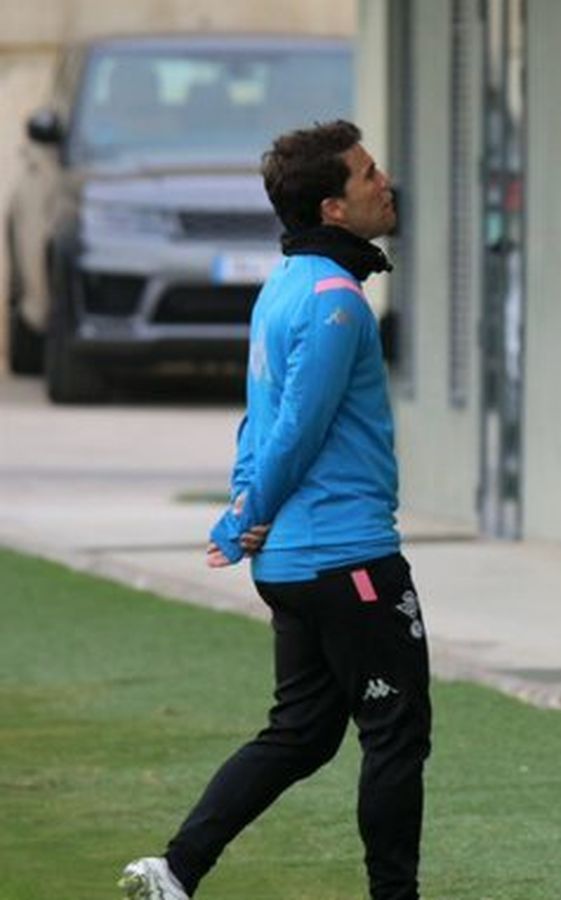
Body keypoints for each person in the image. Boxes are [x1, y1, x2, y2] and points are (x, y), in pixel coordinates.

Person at [120, 120, 429, 900]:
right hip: (347, 559)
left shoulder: (285, 286)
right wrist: (244, 511)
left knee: (302, 735)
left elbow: (258, 422)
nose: (384, 181)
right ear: (332, 208)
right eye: (366, 175)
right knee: (394, 736)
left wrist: (248, 507)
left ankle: (176, 869)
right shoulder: (335, 302)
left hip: (295, 562)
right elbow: (296, 424)